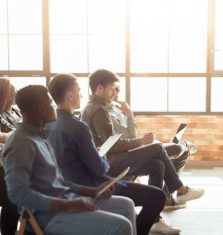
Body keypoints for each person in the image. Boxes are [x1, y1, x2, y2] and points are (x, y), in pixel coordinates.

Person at [44, 73, 170, 235]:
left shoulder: (48, 126)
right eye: (78, 90)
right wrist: (99, 155)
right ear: (69, 95)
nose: (81, 95)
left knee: (156, 167)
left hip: (67, 187)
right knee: (157, 197)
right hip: (92, 187)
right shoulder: (78, 127)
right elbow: (100, 168)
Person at [1, 85, 136, 235]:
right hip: (48, 215)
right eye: (51, 102)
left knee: (127, 205)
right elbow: (18, 193)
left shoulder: (39, 135)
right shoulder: (20, 142)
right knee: (121, 226)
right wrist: (66, 205)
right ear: (42, 109)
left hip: (65, 200)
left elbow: (58, 181)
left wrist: (93, 191)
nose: (54, 106)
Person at [81, 69, 204, 207]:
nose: (115, 93)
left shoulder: (93, 107)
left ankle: (155, 216)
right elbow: (113, 145)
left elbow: (114, 141)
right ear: (99, 88)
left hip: (111, 158)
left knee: (157, 165)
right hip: (109, 162)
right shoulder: (98, 109)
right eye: (112, 89)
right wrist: (142, 141)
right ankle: (181, 190)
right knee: (158, 148)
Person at [105, 84, 191, 209]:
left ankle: (165, 197)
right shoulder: (105, 112)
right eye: (113, 89)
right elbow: (125, 138)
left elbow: (132, 135)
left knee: (170, 156)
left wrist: (128, 113)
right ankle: (177, 190)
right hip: (125, 153)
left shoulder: (117, 111)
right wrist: (129, 113)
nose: (116, 92)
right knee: (174, 149)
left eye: (118, 89)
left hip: (134, 148)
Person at [0, 78, 21, 235]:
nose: (15, 96)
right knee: (12, 205)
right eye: (11, 93)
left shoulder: (15, 111)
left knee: (10, 208)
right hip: (4, 163)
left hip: (19, 158)